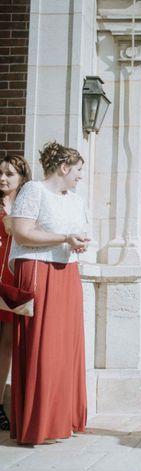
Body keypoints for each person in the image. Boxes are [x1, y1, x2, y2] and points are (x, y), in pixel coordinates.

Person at [9, 141, 90, 445]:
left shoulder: (76, 199)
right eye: (78, 170)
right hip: (39, 270)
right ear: (64, 167)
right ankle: (38, 424)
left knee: (65, 346)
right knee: (42, 346)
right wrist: (64, 238)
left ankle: (62, 420)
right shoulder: (34, 191)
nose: (80, 176)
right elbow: (22, 232)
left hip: (67, 271)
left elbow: (75, 233)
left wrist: (77, 241)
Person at [0, 155, 32, 432]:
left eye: (9, 174)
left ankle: (0, 405)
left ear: (22, 177)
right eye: (1, 173)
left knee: (7, 345)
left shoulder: (26, 204)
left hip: (11, 279)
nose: (3, 178)